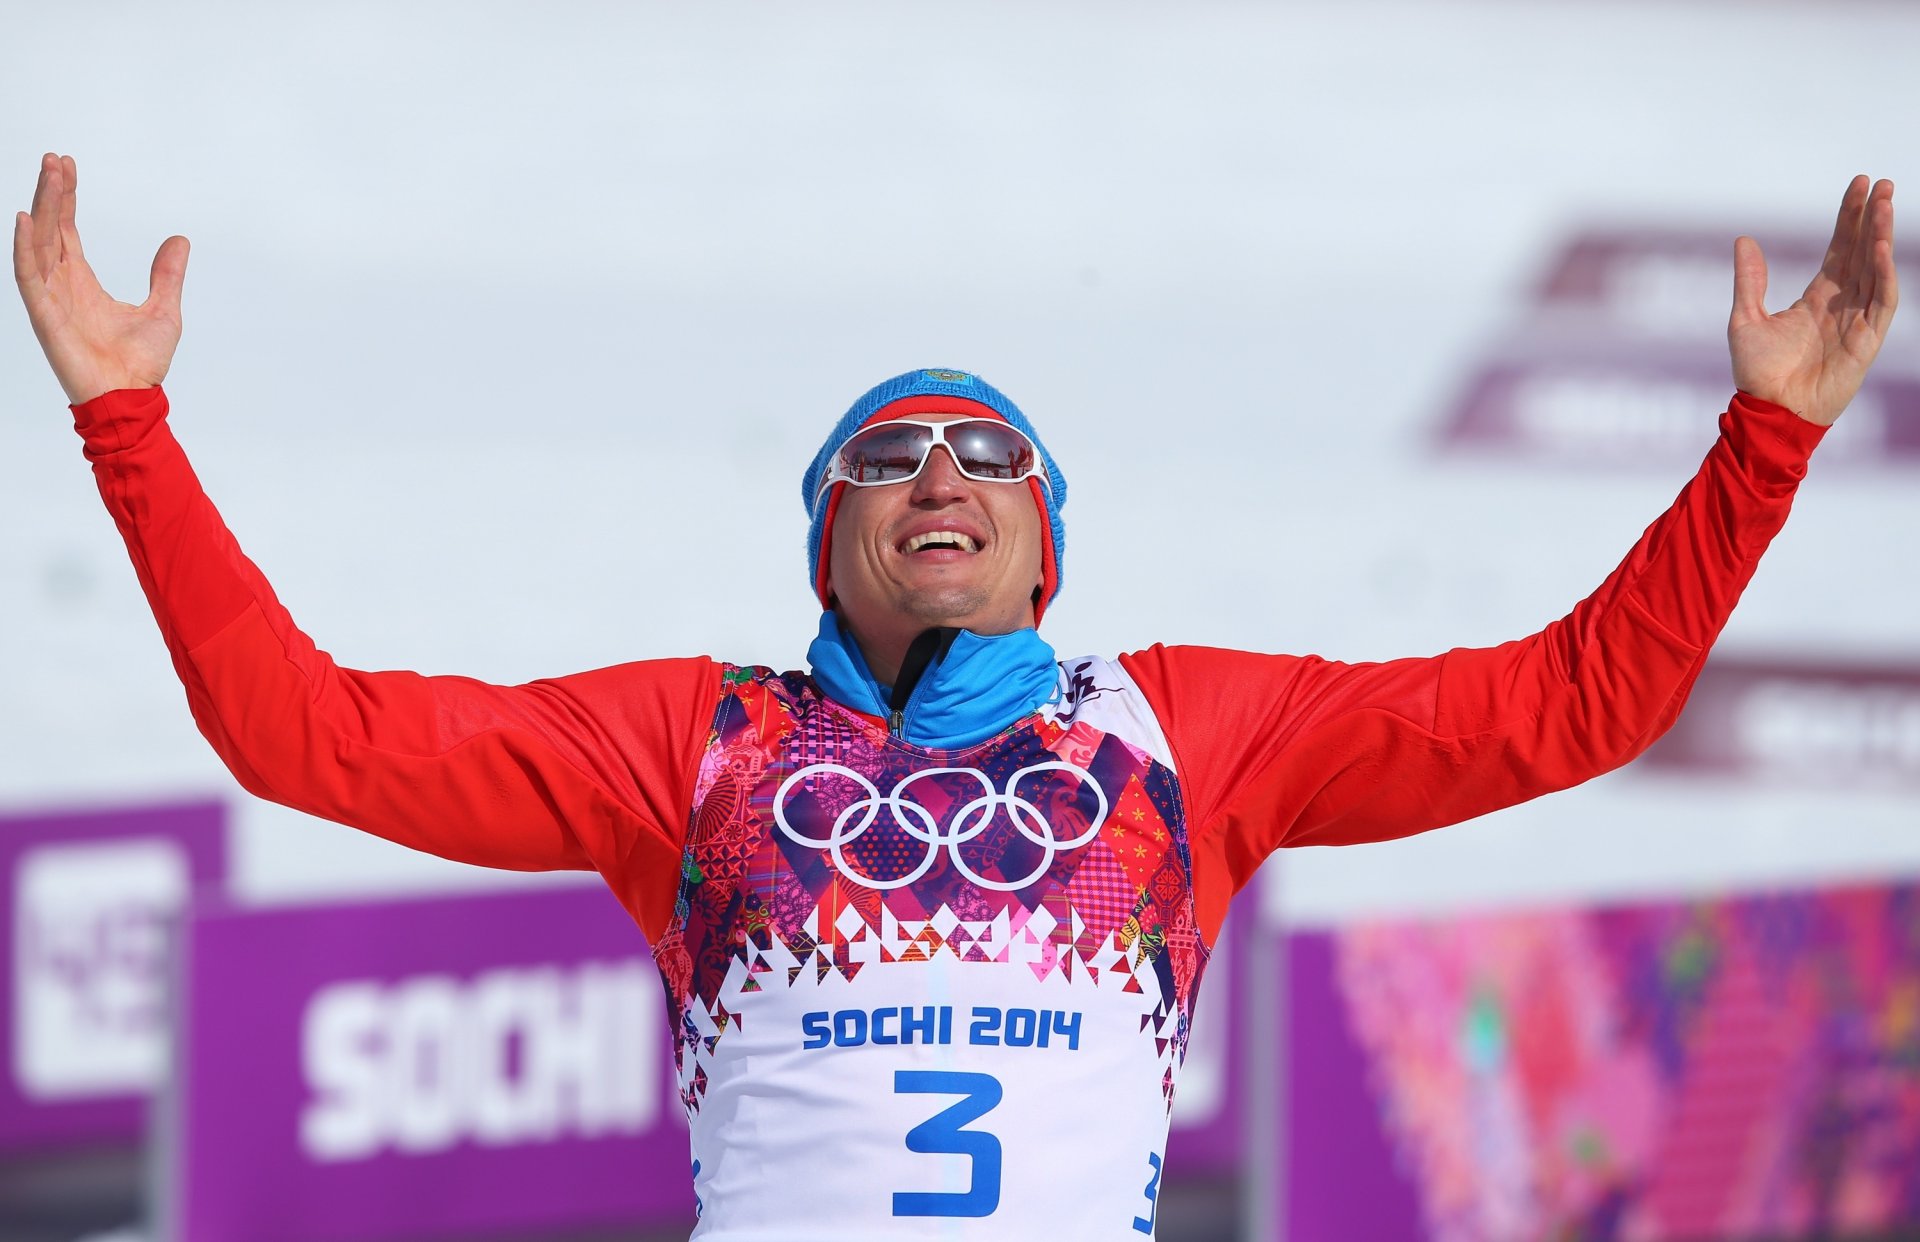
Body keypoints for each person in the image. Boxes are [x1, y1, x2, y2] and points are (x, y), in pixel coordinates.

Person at [13, 152, 1898, 1240]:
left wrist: (1767, 438)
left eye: (985, 453)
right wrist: (127, 421)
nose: (937, 473)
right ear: (823, 540)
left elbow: (1572, 704)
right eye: (885, 456)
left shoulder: (1184, 732)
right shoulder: (692, 739)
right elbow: (304, 733)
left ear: (1042, 543)